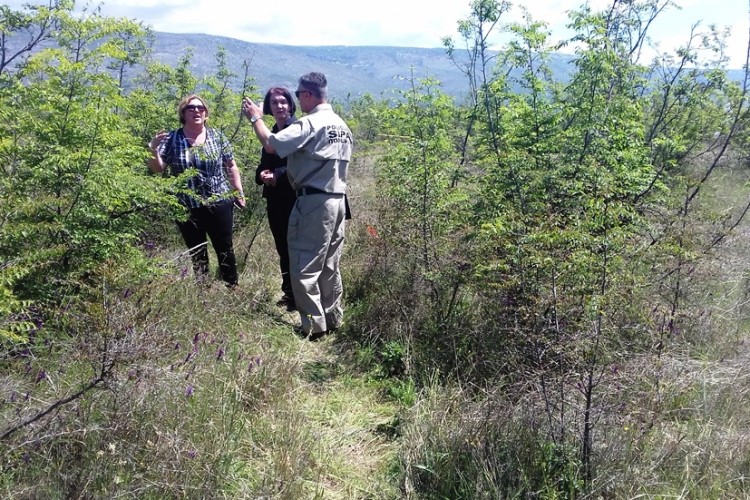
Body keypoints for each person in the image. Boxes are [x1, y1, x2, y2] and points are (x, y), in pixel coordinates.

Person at [242, 72, 353, 340]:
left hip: (314, 201)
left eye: (299, 94)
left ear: (306, 95)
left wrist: (256, 118)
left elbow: (271, 145)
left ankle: (314, 328)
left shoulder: (310, 124)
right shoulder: (342, 126)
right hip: (338, 200)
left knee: (304, 265)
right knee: (329, 264)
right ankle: (333, 317)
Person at [148, 94, 246, 287]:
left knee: (224, 247)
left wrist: (238, 192)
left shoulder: (217, 136)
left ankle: (232, 288)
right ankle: (203, 293)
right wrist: (153, 149)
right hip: (186, 206)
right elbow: (158, 169)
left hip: (219, 201)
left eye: (200, 108)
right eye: (191, 108)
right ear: (183, 113)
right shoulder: (173, 138)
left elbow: (231, 166)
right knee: (197, 251)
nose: (196, 111)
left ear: (206, 113)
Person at [255, 86, 298, 311]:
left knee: (296, 247)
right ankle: (289, 293)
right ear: (269, 107)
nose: (279, 106)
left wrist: (277, 175)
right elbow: (264, 163)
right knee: (282, 247)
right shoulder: (271, 131)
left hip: (294, 198)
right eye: (274, 103)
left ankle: (300, 295)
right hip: (275, 200)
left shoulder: (296, 129)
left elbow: (296, 165)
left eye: (283, 101)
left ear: (291, 104)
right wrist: (262, 175)